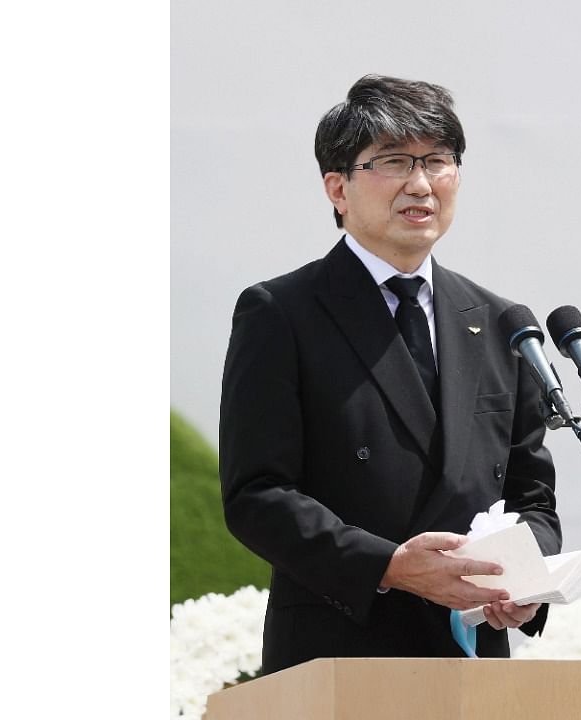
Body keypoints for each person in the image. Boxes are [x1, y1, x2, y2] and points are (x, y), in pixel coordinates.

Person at [219, 74, 561, 674]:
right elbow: (257, 494)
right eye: (394, 161)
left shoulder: (503, 323)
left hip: (474, 656)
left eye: (437, 160)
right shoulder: (283, 313)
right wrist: (388, 564)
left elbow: (532, 495)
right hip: (340, 651)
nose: (420, 183)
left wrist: (522, 581)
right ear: (337, 187)